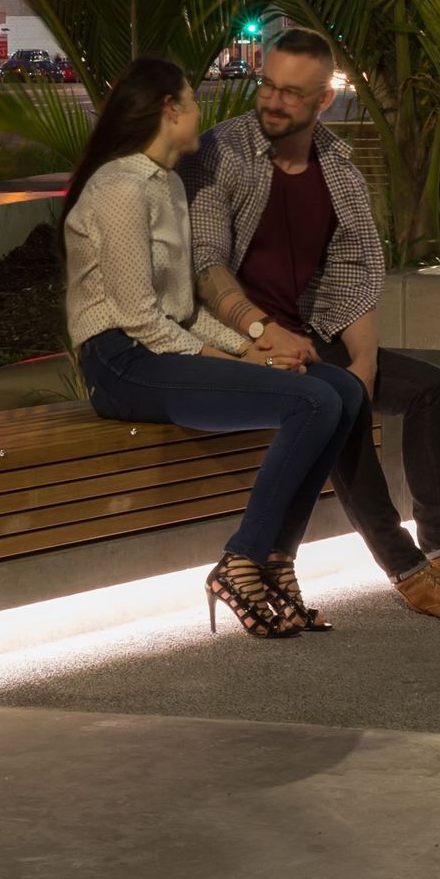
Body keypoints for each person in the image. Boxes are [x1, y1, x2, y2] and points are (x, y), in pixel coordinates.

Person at [183, 28, 440, 622]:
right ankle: (409, 572)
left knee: (434, 391)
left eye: (291, 93)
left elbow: (354, 271)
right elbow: (205, 262)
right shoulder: (222, 154)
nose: (271, 101)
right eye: (267, 85)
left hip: (312, 334)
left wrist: (366, 359)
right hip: (239, 343)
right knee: (337, 397)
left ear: (323, 100)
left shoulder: (338, 169)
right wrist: (262, 334)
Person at [63, 55, 366, 639]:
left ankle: (276, 562)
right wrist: (229, 360)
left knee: (343, 390)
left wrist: (255, 341)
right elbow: (138, 317)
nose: (203, 113)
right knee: (310, 402)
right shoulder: (121, 188)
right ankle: (242, 561)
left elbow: (183, 307)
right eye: (194, 101)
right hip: (122, 363)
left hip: (162, 353)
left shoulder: (168, 183)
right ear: (168, 111)